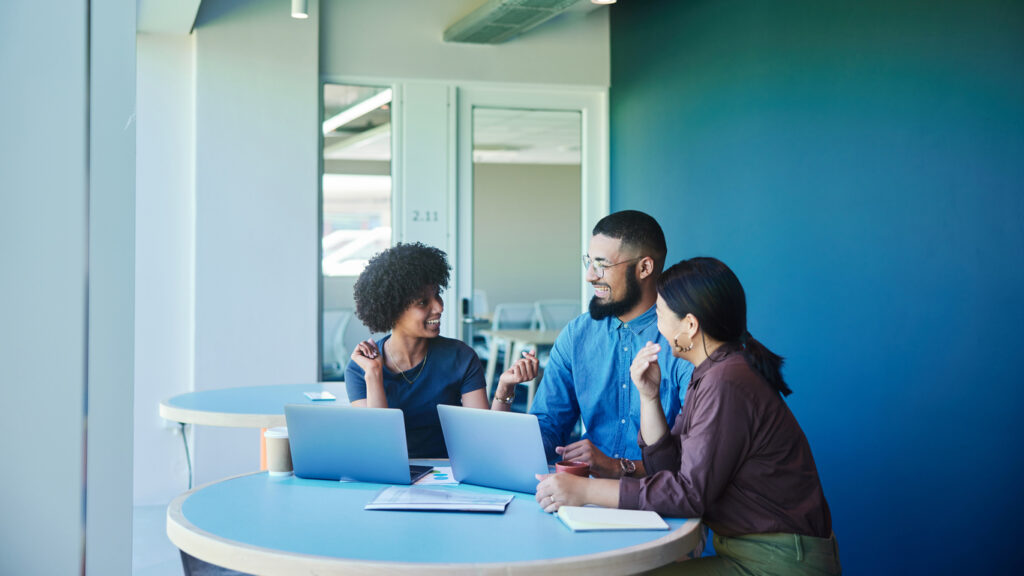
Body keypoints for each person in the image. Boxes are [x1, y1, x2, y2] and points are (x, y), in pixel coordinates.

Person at [534, 257, 841, 575]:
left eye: (661, 315)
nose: (657, 326)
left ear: (690, 325)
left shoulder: (727, 381)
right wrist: (649, 396)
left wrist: (584, 491)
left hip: (779, 562)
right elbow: (667, 469)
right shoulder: (714, 371)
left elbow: (688, 495)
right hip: (758, 553)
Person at [494, 210, 692, 479]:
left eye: (602, 265)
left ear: (644, 268)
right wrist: (505, 399)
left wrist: (617, 466)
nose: (589, 276)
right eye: (589, 261)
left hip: (661, 501)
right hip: (585, 495)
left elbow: (694, 456)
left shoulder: (684, 340)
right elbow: (549, 428)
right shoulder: (577, 334)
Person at [346, 242, 538, 458]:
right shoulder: (360, 368)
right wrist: (373, 375)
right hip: (390, 475)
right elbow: (378, 446)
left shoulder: (460, 357)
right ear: (393, 309)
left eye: (437, 295)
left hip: (450, 476)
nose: (439, 307)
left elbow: (484, 440)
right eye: (423, 302)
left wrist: (504, 388)